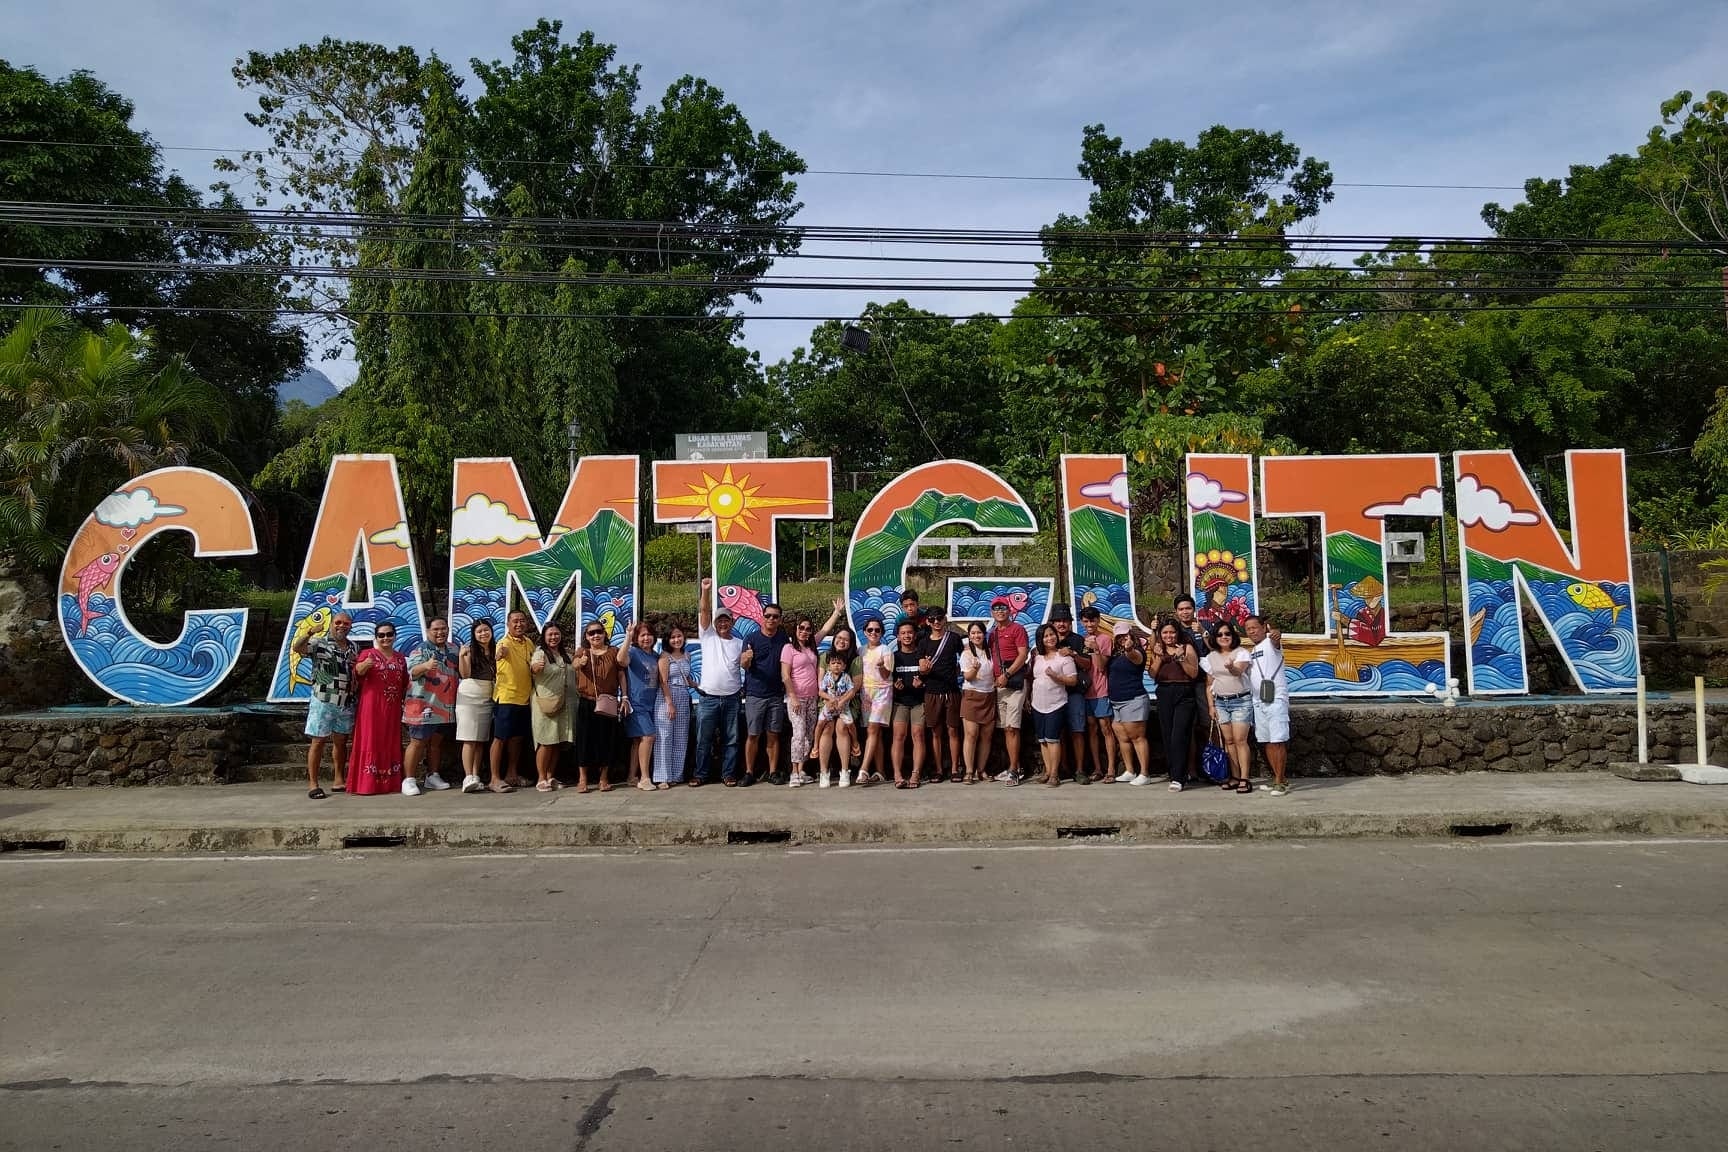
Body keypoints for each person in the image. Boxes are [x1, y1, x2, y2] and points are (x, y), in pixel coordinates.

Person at [295, 610, 355, 800]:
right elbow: (298, 648)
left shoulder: (353, 646)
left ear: (350, 626)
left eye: (346, 623)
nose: (341, 626)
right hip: (323, 699)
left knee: (341, 741)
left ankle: (339, 779)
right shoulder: (319, 642)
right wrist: (309, 632)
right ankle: (313, 784)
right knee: (318, 741)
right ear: (331, 623)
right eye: (338, 622)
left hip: (345, 701)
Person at [693, 577, 746, 786]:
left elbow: (747, 666)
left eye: (727, 620)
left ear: (732, 622)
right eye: (719, 621)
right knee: (702, 740)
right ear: (714, 624)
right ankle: (700, 774)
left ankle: (728, 774)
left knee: (731, 741)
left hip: (732, 699)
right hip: (708, 699)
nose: (723, 623)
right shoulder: (707, 636)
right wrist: (706, 590)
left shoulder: (740, 643)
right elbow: (704, 612)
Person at [346, 623, 407, 795]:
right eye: (381, 635)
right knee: (370, 740)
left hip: (393, 707)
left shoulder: (400, 658)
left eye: (389, 634)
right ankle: (367, 784)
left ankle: (390, 782)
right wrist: (365, 664)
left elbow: (404, 682)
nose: (385, 638)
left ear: (395, 636)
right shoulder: (367, 654)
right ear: (376, 637)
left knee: (390, 740)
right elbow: (357, 672)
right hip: (371, 707)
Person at [402, 615, 458, 795]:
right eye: (436, 629)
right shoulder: (421, 649)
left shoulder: (453, 649)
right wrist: (425, 665)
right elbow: (412, 672)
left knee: (436, 743)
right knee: (417, 742)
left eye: (443, 628)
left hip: (444, 706)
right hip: (423, 705)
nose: (440, 632)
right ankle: (409, 779)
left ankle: (432, 775)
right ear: (428, 631)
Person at [740, 600, 791, 785]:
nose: (771, 619)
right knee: (753, 735)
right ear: (762, 617)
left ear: (780, 619)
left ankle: (773, 772)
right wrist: (746, 660)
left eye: (775, 616)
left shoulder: (784, 639)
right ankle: (749, 772)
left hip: (776, 695)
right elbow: (744, 665)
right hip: (755, 694)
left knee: (773, 734)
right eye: (768, 615)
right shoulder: (751, 638)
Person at [573, 618, 626, 793]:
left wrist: (624, 696)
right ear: (586, 637)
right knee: (584, 740)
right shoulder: (583, 651)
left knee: (607, 740)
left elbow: (621, 675)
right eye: (591, 633)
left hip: (607, 702)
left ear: (605, 634)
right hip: (586, 702)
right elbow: (574, 664)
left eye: (599, 632)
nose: (596, 635)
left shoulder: (613, 651)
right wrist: (580, 663)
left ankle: (604, 778)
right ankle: (583, 778)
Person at [1149, 619, 1201, 791]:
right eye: (1165, 633)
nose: (1168, 636)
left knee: (1179, 734)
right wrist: (1157, 657)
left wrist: (1180, 658)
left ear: (1177, 632)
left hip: (1184, 693)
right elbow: (1153, 674)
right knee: (1167, 735)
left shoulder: (1187, 648)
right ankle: (1175, 772)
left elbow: (1193, 673)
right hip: (1164, 692)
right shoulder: (1158, 649)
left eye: (1171, 632)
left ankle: (1178, 777)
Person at [1204, 621, 1255, 794]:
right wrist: (1211, 705)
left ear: (1233, 635)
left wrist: (1230, 666)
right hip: (1220, 702)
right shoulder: (1211, 657)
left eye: (1227, 634)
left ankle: (1245, 778)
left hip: (1240, 701)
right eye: (1219, 634)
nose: (1224, 637)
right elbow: (1209, 684)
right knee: (1229, 741)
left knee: (1240, 740)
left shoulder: (1241, 653)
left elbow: (1238, 672)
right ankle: (1234, 775)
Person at [1243, 614, 1291, 795]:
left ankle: (1280, 781)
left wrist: (1276, 634)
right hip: (1258, 701)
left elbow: (1277, 640)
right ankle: (1279, 778)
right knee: (1267, 741)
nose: (1251, 631)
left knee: (1278, 740)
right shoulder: (1251, 652)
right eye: (1248, 629)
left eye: (1254, 627)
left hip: (1275, 699)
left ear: (1264, 627)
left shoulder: (1271, 644)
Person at [489, 610, 535, 793]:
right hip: (506, 697)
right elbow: (497, 655)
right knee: (500, 738)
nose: (519, 624)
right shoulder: (503, 642)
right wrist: (499, 654)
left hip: (524, 698)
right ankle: (494, 778)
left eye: (522, 621)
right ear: (507, 624)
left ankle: (512, 774)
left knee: (517, 739)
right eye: (515, 621)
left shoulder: (529, 642)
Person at [1029, 623, 1079, 787]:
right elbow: (1033, 678)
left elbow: (1073, 680)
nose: (1050, 638)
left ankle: (1055, 774)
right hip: (1038, 703)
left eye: (1052, 635)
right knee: (1043, 739)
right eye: (1046, 636)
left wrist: (1057, 676)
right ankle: (1048, 771)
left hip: (1056, 703)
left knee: (1053, 738)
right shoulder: (1037, 656)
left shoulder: (1064, 657)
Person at [987, 596, 1029, 784]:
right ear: (992, 612)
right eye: (996, 608)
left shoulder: (1017, 629)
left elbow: (1023, 655)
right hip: (999, 686)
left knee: (1012, 727)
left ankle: (1013, 770)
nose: (1000, 611)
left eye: (1003, 607)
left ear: (1009, 610)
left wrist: (1008, 674)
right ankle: (1016, 767)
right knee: (1006, 729)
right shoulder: (992, 634)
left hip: (1014, 684)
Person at [918, 605, 964, 782]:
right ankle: (938, 769)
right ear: (927, 622)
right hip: (932, 691)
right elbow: (922, 668)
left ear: (945, 619)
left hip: (951, 690)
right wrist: (924, 669)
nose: (936, 622)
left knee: (953, 730)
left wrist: (962, 670)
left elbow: (965, 658)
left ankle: (954, 769)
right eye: (932, 619)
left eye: (940, 618)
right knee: (935, 732)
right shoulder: (923, 642)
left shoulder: (953, 638)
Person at [1105, 622, 1154, 785]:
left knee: (1137, 737)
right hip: (1116, 701)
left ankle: (1145, 773)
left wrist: (1129, 649)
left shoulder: (1137, 651)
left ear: (1131, 635)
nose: (1123, 639)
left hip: (1133, 699)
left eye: (1125, 635)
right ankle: (1130, 770)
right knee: (1123, 738)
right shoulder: (1115, 654)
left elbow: (1136, 658)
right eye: (1119, 636)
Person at [528, 622, 574, 793]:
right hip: (545, 703)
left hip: (564, 702)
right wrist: (534, 668)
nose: (554, 637)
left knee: (557, 741)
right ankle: (541, 777)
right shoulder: (540, 653)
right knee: (545, 741)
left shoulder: (565, 654)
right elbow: (534, 668)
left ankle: (550, 775)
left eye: (556, 634)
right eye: (550, 634)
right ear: (544, 637)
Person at [814, 623, 861, 784]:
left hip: (848, 703)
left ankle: (844, 771)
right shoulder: (824, 657)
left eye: (846, 640)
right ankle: (823, 772)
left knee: (842, 726)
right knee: (827, 727)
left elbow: (855, 688)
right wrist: (830, 700)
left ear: (851, 643)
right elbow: (820, 685)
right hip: (827, 701)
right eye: (839, 638)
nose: (842, 641)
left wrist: (841, 701)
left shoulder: (855, 660)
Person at [1049, 604, 1090, 781]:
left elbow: (1088, 664)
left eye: (1064, 620)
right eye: (1057, 621)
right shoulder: (1047, 640)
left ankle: (1080, 769)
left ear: (1070, 622)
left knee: (1077, 730)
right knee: (1058, 732)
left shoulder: (1079, 640)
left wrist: (1073, 654)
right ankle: (1062, 767)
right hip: (1053, 693)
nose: (1061, 624)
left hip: (1074, 692)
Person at [455, 618, 496, 793]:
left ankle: (476, 775)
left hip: (488, 694)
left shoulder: (496, 650)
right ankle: (467, 776)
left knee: (480, 739)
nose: (483, 634)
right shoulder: (469, 650)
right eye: (479, 631)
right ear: (474, 634)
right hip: (470, 694)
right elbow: (465, 674)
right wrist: (462, 657)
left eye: (486, 630)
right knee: (469, 738)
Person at [782, 614, 822, 787]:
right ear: (795, 629)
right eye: (801, 628)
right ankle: (794, 772)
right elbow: (785, 675)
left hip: (813, 697)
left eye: (808, 628)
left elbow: (826, 629)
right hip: (796, 698)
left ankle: (802, 770)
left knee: (808, 735)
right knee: (798, 734)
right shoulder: (789, 648)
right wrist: (793, 697)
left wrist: (837, 613)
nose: (804, 631)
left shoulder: (812, 647)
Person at [888, 619, 928, 787]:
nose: (907, 636)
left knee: (918, 734)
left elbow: (929, 677)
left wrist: (923, 684)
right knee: (899, 735)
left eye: (910, 632)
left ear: (915, 634)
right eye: (903, 633)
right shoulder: (894, 657)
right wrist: (895, 687)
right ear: (898, 636)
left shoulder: (921, 654)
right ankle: (897, 775)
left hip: (919, 702)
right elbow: (885, 679)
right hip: (900, 702)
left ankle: (915, 774)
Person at [1077, 604, 1114, 783]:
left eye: (1092, 620)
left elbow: (1100, 666)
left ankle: (1111, 769)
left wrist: (1095, 648)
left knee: (1106, 728)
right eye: (1086, 621)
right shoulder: (1083, 639)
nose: (1089, 624)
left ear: (1098, 621)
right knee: (1091, 729)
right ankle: (1098, 768)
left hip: (1101, 691)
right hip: (1086, 691)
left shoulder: (1105, 639)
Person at [624, 622, 662, 792]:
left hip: (652, 703)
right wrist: (628, 637)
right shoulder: (632, 652)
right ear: (636, 638)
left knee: (637, 741)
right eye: (642, 635)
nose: (646, 638)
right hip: (636, 703)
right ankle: (645, 778)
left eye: (649, 635)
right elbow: (620, 660)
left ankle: (632, 776)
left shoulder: (655, 655)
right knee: (648, 737)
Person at [958, 621, 997, 784]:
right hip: (972, 696)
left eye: (979, 632)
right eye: (972, 633)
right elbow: (968, 677)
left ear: (984, 634)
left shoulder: (991, 652)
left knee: (986, 736)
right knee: (971, 735)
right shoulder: (967, 654)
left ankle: (981, 770)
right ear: (969, 636)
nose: (976, 636)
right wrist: (975, 668)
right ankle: (968, 771)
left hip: (989, 696)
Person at [654, 624, 694, 788]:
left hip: (683, 696)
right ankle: (663, 776)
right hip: (666, 698)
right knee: (664, 737)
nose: (676, 640)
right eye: (673, 637)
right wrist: (669, 703)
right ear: (667, 640)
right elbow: (663, 682)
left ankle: (676, 775)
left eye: (679, 636)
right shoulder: (664, 657)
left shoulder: (687, 655)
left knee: (680, 737)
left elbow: (687, 679)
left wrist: (700, 686)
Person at [856, 616, 894, 786]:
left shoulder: (886, 650)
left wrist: (881, 666)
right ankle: (880, 772)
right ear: (864, 632)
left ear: (881, 632)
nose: (873, 633)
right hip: (866, 694)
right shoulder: (860, 650)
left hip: (882, 693)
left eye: (877, 630)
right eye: (870, 630)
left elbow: (887, 674)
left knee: (872, 730)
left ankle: (863, 769)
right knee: (875, 733)